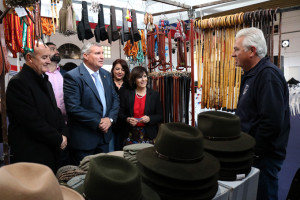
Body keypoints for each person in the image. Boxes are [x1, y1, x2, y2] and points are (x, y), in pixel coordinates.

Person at [232, 27, 290, 200]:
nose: (233, 54)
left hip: (263, 158)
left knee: (264, 195)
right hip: (255, 155)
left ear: (252, 51)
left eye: (236, 49)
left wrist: (253, 151)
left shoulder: (268, 76)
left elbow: (271, 123)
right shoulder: (253, 75)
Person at [6, 42, 68, 173]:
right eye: (44, 57)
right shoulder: (18, 83)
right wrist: (58, 138)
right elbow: (31, 121)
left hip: (50, 148)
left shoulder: (45, 81)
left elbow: (55, 112)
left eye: (49, 57)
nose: (48, 61)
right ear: (29, 58)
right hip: (31, 153)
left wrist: (64, 134)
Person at [63, 42, 119, 165]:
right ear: (85, 56)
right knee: (84, 177)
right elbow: (73, 107)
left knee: (103, 174)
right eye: (97, 53)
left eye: (103, 53)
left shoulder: (106, 75)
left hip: (104, 138)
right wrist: (98, 122)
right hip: (84, 140)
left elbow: (115, 100)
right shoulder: (73, 76)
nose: (102, 56)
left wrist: (110, 119)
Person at [119, 66, 163, 145]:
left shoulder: (154, 95)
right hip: (131, 133)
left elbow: (160, 115)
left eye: (145, 76)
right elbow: (120, 114)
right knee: (131, 156)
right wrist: (128, 119)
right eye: (139, 77)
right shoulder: (127, 94)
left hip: (148, 134)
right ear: (134, 80)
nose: (143, 79)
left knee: (147, 156)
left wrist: (150, 118)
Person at [110, 59, 130, 151]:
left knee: (124, 150)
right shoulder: (107, 83)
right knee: (111, 150)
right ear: (113, 70)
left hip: (126, 123)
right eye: (117, 69)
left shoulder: (130, 85)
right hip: (110, 122)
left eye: (123, 70)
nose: (120, 72)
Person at [45, 42, 67, 123]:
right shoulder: (41, 75)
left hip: (65, 121)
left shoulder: (65, 75)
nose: (57, 51)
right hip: (47, 121)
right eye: (52, 49)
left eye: (56, 49)